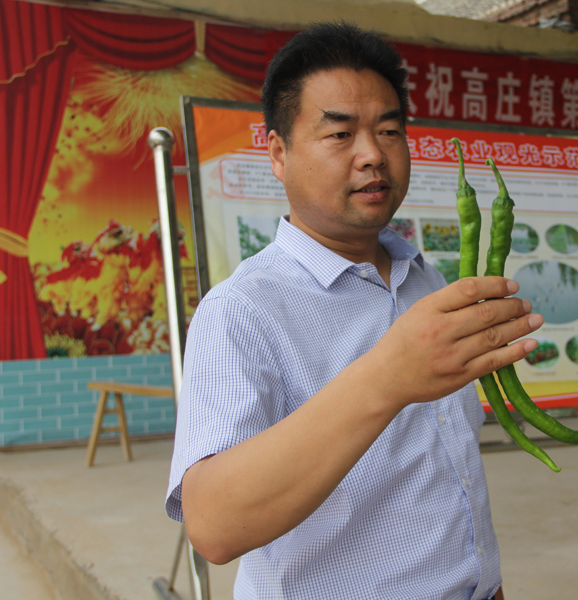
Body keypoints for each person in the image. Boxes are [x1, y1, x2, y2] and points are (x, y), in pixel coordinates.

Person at [166, 21, 542, 600]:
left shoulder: (428, 282)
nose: (373, 155)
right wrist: (387, 378)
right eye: (340, 135)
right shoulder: (241, 311)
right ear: (277, 153)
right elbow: (214, 527)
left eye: (389, 130)